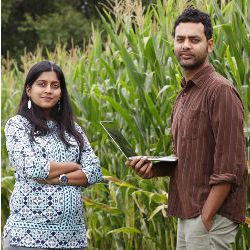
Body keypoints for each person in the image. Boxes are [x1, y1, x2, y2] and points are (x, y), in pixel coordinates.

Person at [126, 8, 247, 250]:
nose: (186, 45)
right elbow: (190, 157)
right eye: (180, 39)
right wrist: (154, 168)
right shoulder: (185, 93)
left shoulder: (219, 91)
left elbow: (231, 164)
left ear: (210, 45)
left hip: (210, 214)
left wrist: (206, 216)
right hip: (187, 212)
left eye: (194, 39)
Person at [3, 61, 103, 250]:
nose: (48, 90)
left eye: (55, 86)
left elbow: (95, 171)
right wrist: (74, 166)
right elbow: (32, 167)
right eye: (42, 84)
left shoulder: (73, 130)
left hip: (72, 238)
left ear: (61, 93)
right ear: (28, 90)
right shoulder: (18, 125)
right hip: (27, 238)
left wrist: (61, 179)